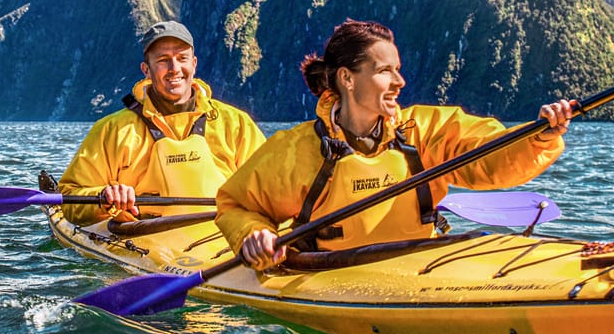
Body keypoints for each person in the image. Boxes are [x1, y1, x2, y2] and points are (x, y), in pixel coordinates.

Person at [216, 19, 573, 271]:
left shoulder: (422, 131)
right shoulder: (295, 151)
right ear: (348, 79)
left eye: (398, 69)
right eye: (385, 70)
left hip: (420, 266)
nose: (399, 81)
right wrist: (254, 235)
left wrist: (538, 135)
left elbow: (490, 153)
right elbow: (236, 205)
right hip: (328, 276)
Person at [58, 20, 266, 225]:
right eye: (163, 60)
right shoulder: (113, 130)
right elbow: (70, 197)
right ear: (146, 70)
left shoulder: (236, 123)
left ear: (194, 64)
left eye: (182, 58)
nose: (174, 68)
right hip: (145, 238)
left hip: (224, 234)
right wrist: (104, 196)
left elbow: (269, 186)